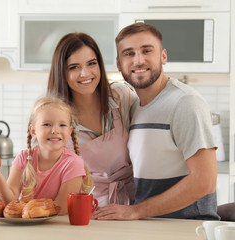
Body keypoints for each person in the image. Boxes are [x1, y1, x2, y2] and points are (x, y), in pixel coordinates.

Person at [92, 22, 219, 220]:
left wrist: (136, 211)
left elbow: (205, 181)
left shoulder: (185, 102)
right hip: (150, 225)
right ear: (119, 64)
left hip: (185, 228)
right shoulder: (134, 105)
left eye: (146, 51)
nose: (138, 60)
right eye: (129, 53)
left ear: (163, 56)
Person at [47, 32, 137, 207]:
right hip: (84, 213)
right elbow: (40, 172)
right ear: (61, 72)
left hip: (133, 207)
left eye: (91, 64)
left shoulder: (121, 97)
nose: (85, 73)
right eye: (74, 67)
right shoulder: (54, 119)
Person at [0, 96, 93, 215]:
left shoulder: (73, 163)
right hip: (26, 228)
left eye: (62, 125)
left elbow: (61, 208)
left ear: (70, 131)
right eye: (47, 124)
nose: (55, 130)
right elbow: (9, 201)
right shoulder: (23, 157)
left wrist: (29, 211)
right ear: (33, 131)